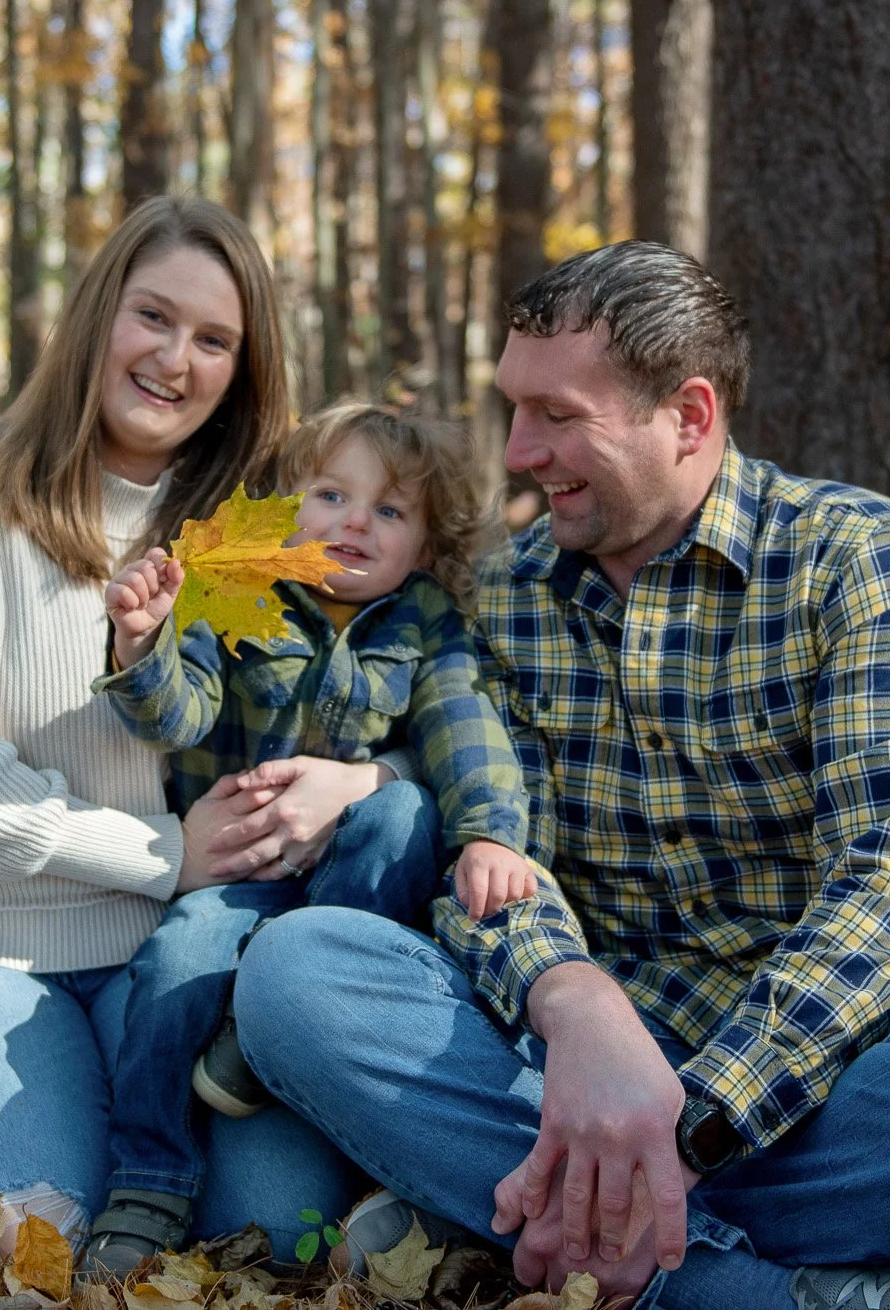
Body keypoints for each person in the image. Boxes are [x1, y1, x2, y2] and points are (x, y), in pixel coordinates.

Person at [232, 241, 890, 1310]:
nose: (520, 450)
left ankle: (535, 1226)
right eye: (512, 410)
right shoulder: (500, 593)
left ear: (689, 414)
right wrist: (570, 1000)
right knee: (297, 970)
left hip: (832, 1074)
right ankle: (776, 1288)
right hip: (567, 1072)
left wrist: (692, 1126)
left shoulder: (860, 556)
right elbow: (494, 854)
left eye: (558, 416)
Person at [0, 197, 390, 1263]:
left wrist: (361, 785)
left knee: (272, 1229)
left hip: (169, 960)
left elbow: (411, 684)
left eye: (214, 339)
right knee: (28, 1239)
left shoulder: (254, 539)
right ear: (98, 318)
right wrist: (160, 852)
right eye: (153, 317)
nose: (175, 359)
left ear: (242, 367)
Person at [83, 403, 538, 1274]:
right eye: (331, 494)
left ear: (425, 545)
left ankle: (276, 1026)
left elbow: (464, 727)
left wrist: (490, 836)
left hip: (352, 900)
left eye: (391, 511)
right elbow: (181, 716)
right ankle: (147, 1174)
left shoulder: (425, 621)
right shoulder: (240, 596)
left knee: (405, 812)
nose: (355, 521)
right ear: (287, 506)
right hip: (243, 873)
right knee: (180, 957)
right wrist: (143, 644)